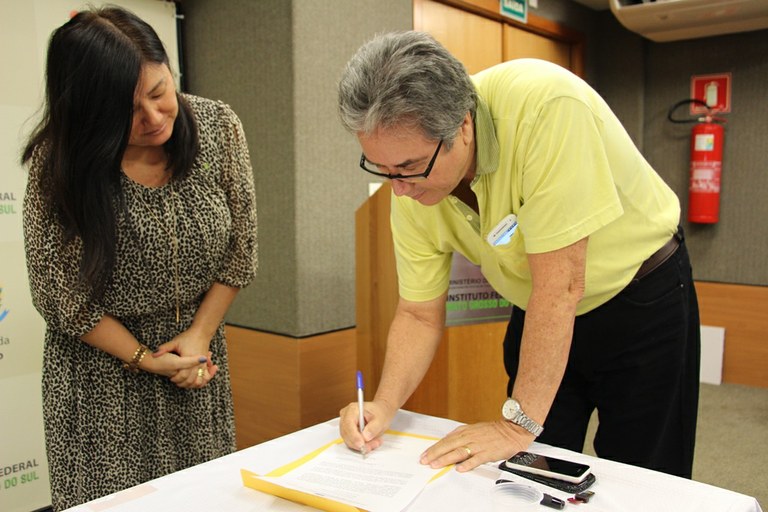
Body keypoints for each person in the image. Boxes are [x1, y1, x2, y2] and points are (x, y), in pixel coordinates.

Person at [337, 31, 700, 479]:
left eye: (410, 168)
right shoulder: (407, 184)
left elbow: (563, 285)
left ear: (462, 126)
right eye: (382, 169)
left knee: (643, 475)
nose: (399, 188)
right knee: (531, 477)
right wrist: (384, 404)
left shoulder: (546, 107)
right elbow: (417, 314)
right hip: (539, 309)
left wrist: (515, 426)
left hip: (639, 298)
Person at [21, 6, 257, 510]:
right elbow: (59, 294)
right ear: (88, 110)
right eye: (127, 110)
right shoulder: (59, 161)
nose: (153, 119)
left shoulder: (217, 126)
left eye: (159, 93)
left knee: (205, 499)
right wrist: (146, 360)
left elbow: (241, 250)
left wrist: (196, 338)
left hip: (196, 367)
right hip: (101, 381)